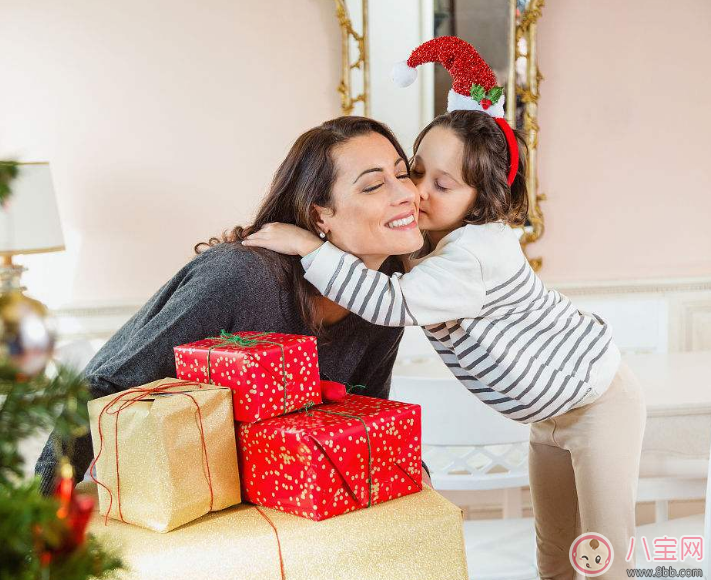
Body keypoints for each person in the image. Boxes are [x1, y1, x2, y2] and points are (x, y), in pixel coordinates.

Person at [243, 37, 645, 580]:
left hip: (598, 404)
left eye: (443, 184)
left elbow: (389, 301)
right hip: (548, 416)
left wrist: (309, 247)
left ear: (480, 199)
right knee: (554, 550)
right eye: (416, 172)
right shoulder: (431, 247)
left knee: (601, 554)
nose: (419, 192)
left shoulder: (473, 254)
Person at [35, 116, 432, 495]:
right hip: (163, 493)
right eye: (373, 186)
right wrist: (43, 511)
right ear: (319, 216)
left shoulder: (385, 296)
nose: (406, 194)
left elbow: (367, 416)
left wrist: (415, 473)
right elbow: (104, 387)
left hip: (275, 498)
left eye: (402, 175)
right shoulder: (243, 278)